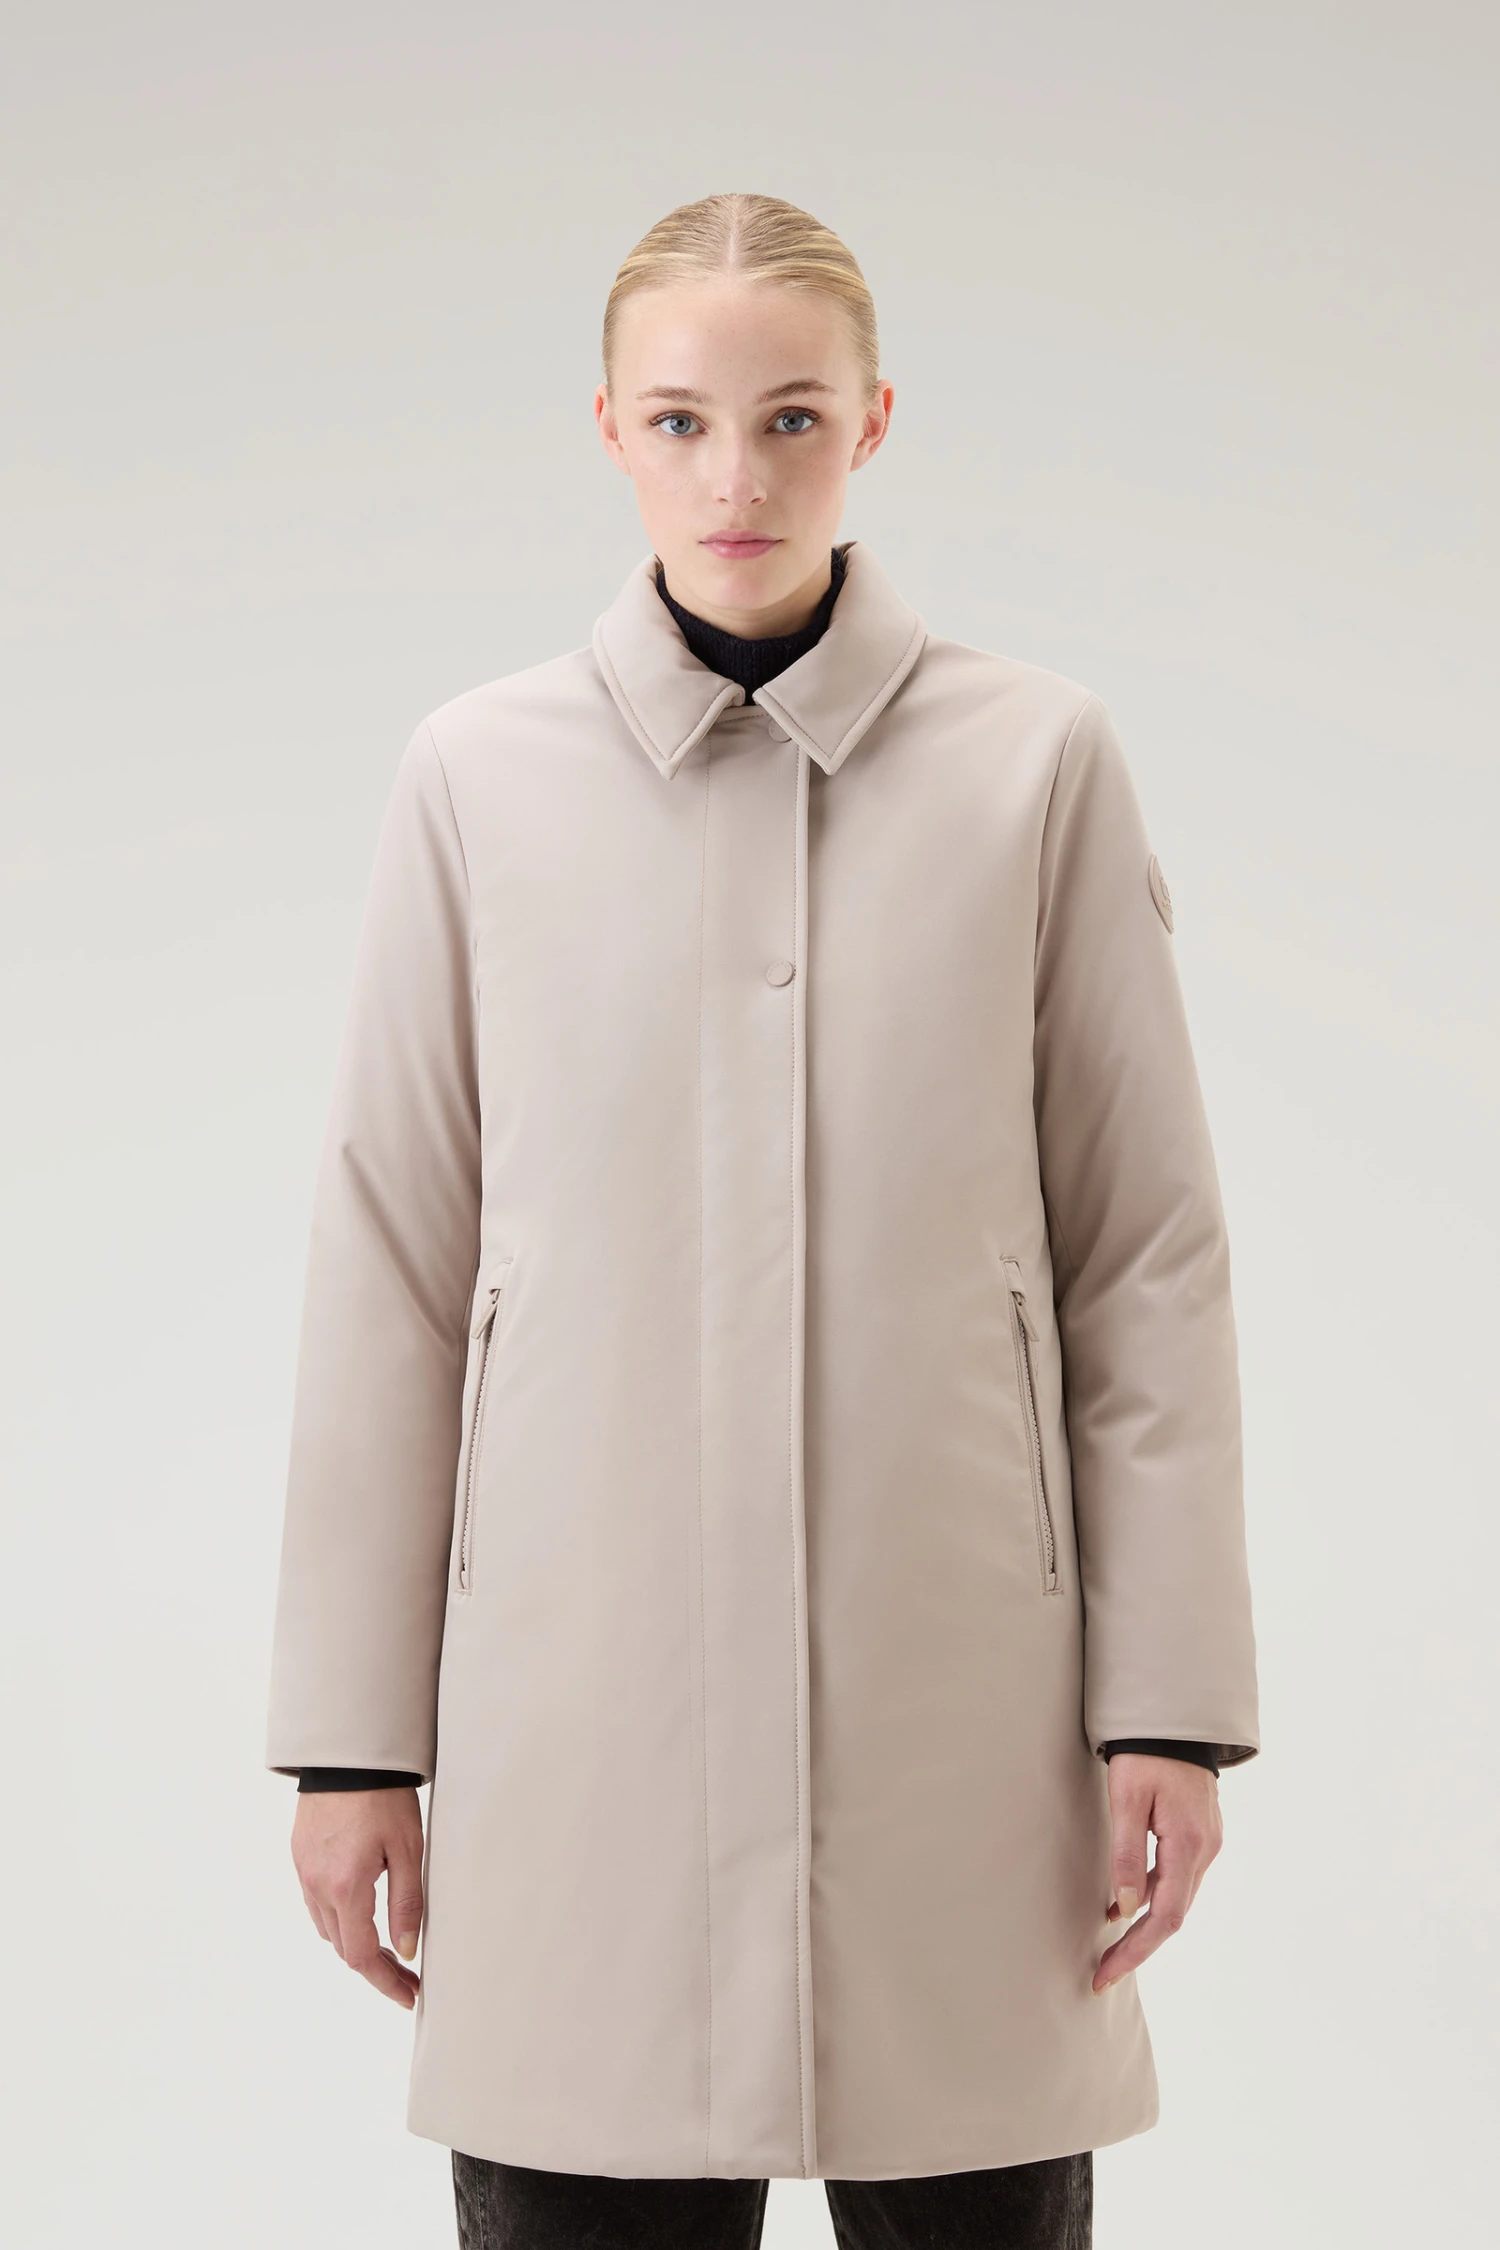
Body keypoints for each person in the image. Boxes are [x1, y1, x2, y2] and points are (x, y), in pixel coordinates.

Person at [265, 192, 1259, 2249]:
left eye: (794, 418)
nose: (739, 474)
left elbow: (1143, 1253)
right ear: (608, 431)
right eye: (684, 420)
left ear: (875, 423)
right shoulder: (478, 778)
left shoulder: (1035, 764)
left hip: (958, 1704)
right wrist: (349, 1747)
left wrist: (1165, 1706)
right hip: (579, 1716)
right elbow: (395, 1263)